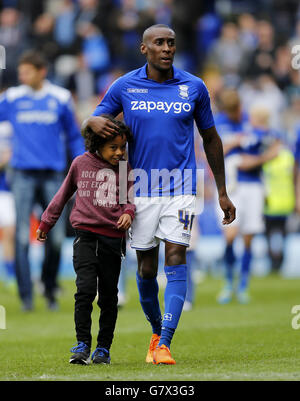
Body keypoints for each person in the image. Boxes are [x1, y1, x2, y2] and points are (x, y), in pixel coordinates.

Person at [81, 24, 236, 365]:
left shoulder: (193, 87)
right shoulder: (125, 86)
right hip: (139, 191)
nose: (167, 48)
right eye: (160, 43)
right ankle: (155, 332)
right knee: (147, 268)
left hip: (181, 187)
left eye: (171, 43)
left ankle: (165, 342)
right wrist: (91, 121)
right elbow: (95, 122)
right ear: (144, 49)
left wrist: (222, 191)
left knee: (177, 256)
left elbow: (211, 138)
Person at [36, 115, 135, 365]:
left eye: (122, 147)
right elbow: (62, 195)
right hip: (85, 237)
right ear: (97, 144)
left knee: (109, 297)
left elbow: (129, 200)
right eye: (113, 147)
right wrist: (46, 222)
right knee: (85, 291)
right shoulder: (80, 163)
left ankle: (103, 348)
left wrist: (127, 213)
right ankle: (81, 345)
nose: (119, 152)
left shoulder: (124, 169)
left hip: (113, 240)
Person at [0, 50, 85, 311]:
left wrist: (83, 165)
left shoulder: (59, 98)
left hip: (53, 174)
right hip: (22, 173)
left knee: (56, 237)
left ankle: (49, 288)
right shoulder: (12, 98)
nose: (22, 76)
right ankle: (27, 296)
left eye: (27, 72)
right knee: (23, 240)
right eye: (21, 72)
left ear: (41, 72)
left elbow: (73, 136)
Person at [215, 91, 280, 304]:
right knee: (230, 236)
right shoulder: (218, 123)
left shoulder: (250, 121)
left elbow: (273, 144)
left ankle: (243, 284)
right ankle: (227, 281)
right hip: (231, 187)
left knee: (248, 238)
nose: (237, 113)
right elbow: (219, 153)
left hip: (254, 186)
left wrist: (257, 156)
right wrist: (241, 149)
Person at [0, 121, 16, 289]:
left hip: (16, 188)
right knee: (9, 231)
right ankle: (11, 273)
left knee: (13, 232)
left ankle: (13, 272)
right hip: (3, 189)